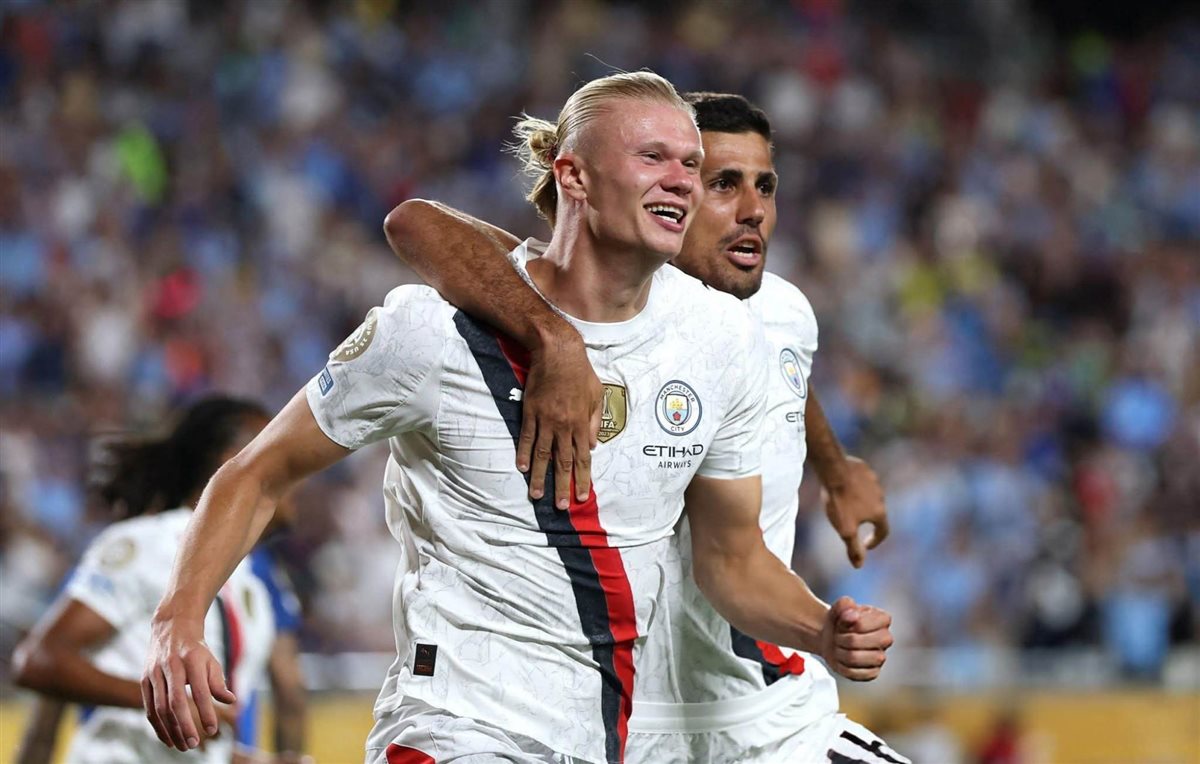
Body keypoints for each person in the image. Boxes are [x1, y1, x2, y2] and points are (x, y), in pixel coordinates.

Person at [142, 71, 892, 764]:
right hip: (455, 726)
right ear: (573, 176)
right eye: (653, 158)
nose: (681, 180)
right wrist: (178, 617)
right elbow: (258, 473)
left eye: (692, 165)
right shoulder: (430, 333)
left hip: (598, 740)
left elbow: (731, 558)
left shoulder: (721, 339)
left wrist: (821, 630)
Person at [381, 92, 906, 762]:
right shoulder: (566, 316)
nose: (752, 209)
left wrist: (835, 467)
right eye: (722, 183)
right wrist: (552, 337)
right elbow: (420, 224)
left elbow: (774, 380)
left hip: (777, 714)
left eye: (766, 186)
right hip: (631, 726)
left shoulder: (780, 314)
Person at [12, 396, 285, 764]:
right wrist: (167, 701)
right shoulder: (148, 544)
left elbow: (198, 741)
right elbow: (39, 660)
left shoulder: (251, 588)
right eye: (281, 454)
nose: (297, 471)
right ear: (234, 461)